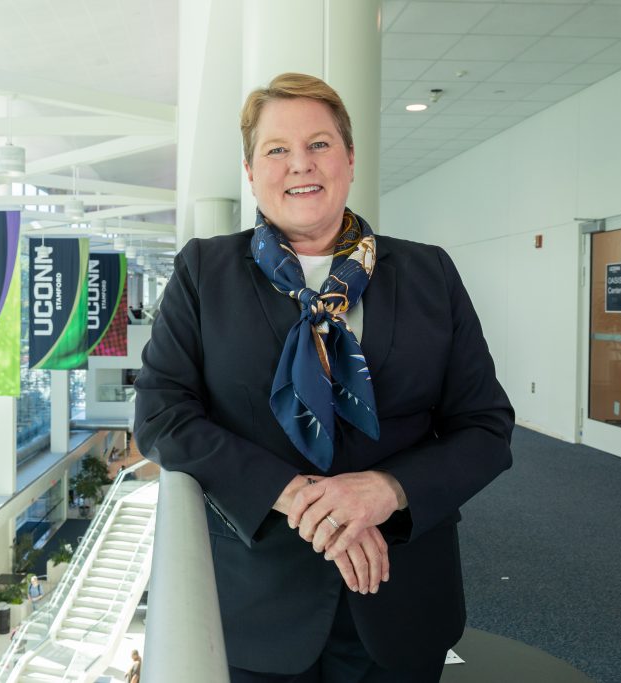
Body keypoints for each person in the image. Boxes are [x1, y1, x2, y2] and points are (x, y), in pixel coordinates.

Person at [133, 72, 514, 681]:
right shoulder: (206, 271)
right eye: (276, 150)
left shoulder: (428, 272)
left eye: (319, 144)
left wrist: (385, 490)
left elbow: (486, 427)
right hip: (258, 600)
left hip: (401, 589)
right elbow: (161, 413)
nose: (299, 165)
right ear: (252, 171)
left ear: (351, 158)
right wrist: (298, 496)